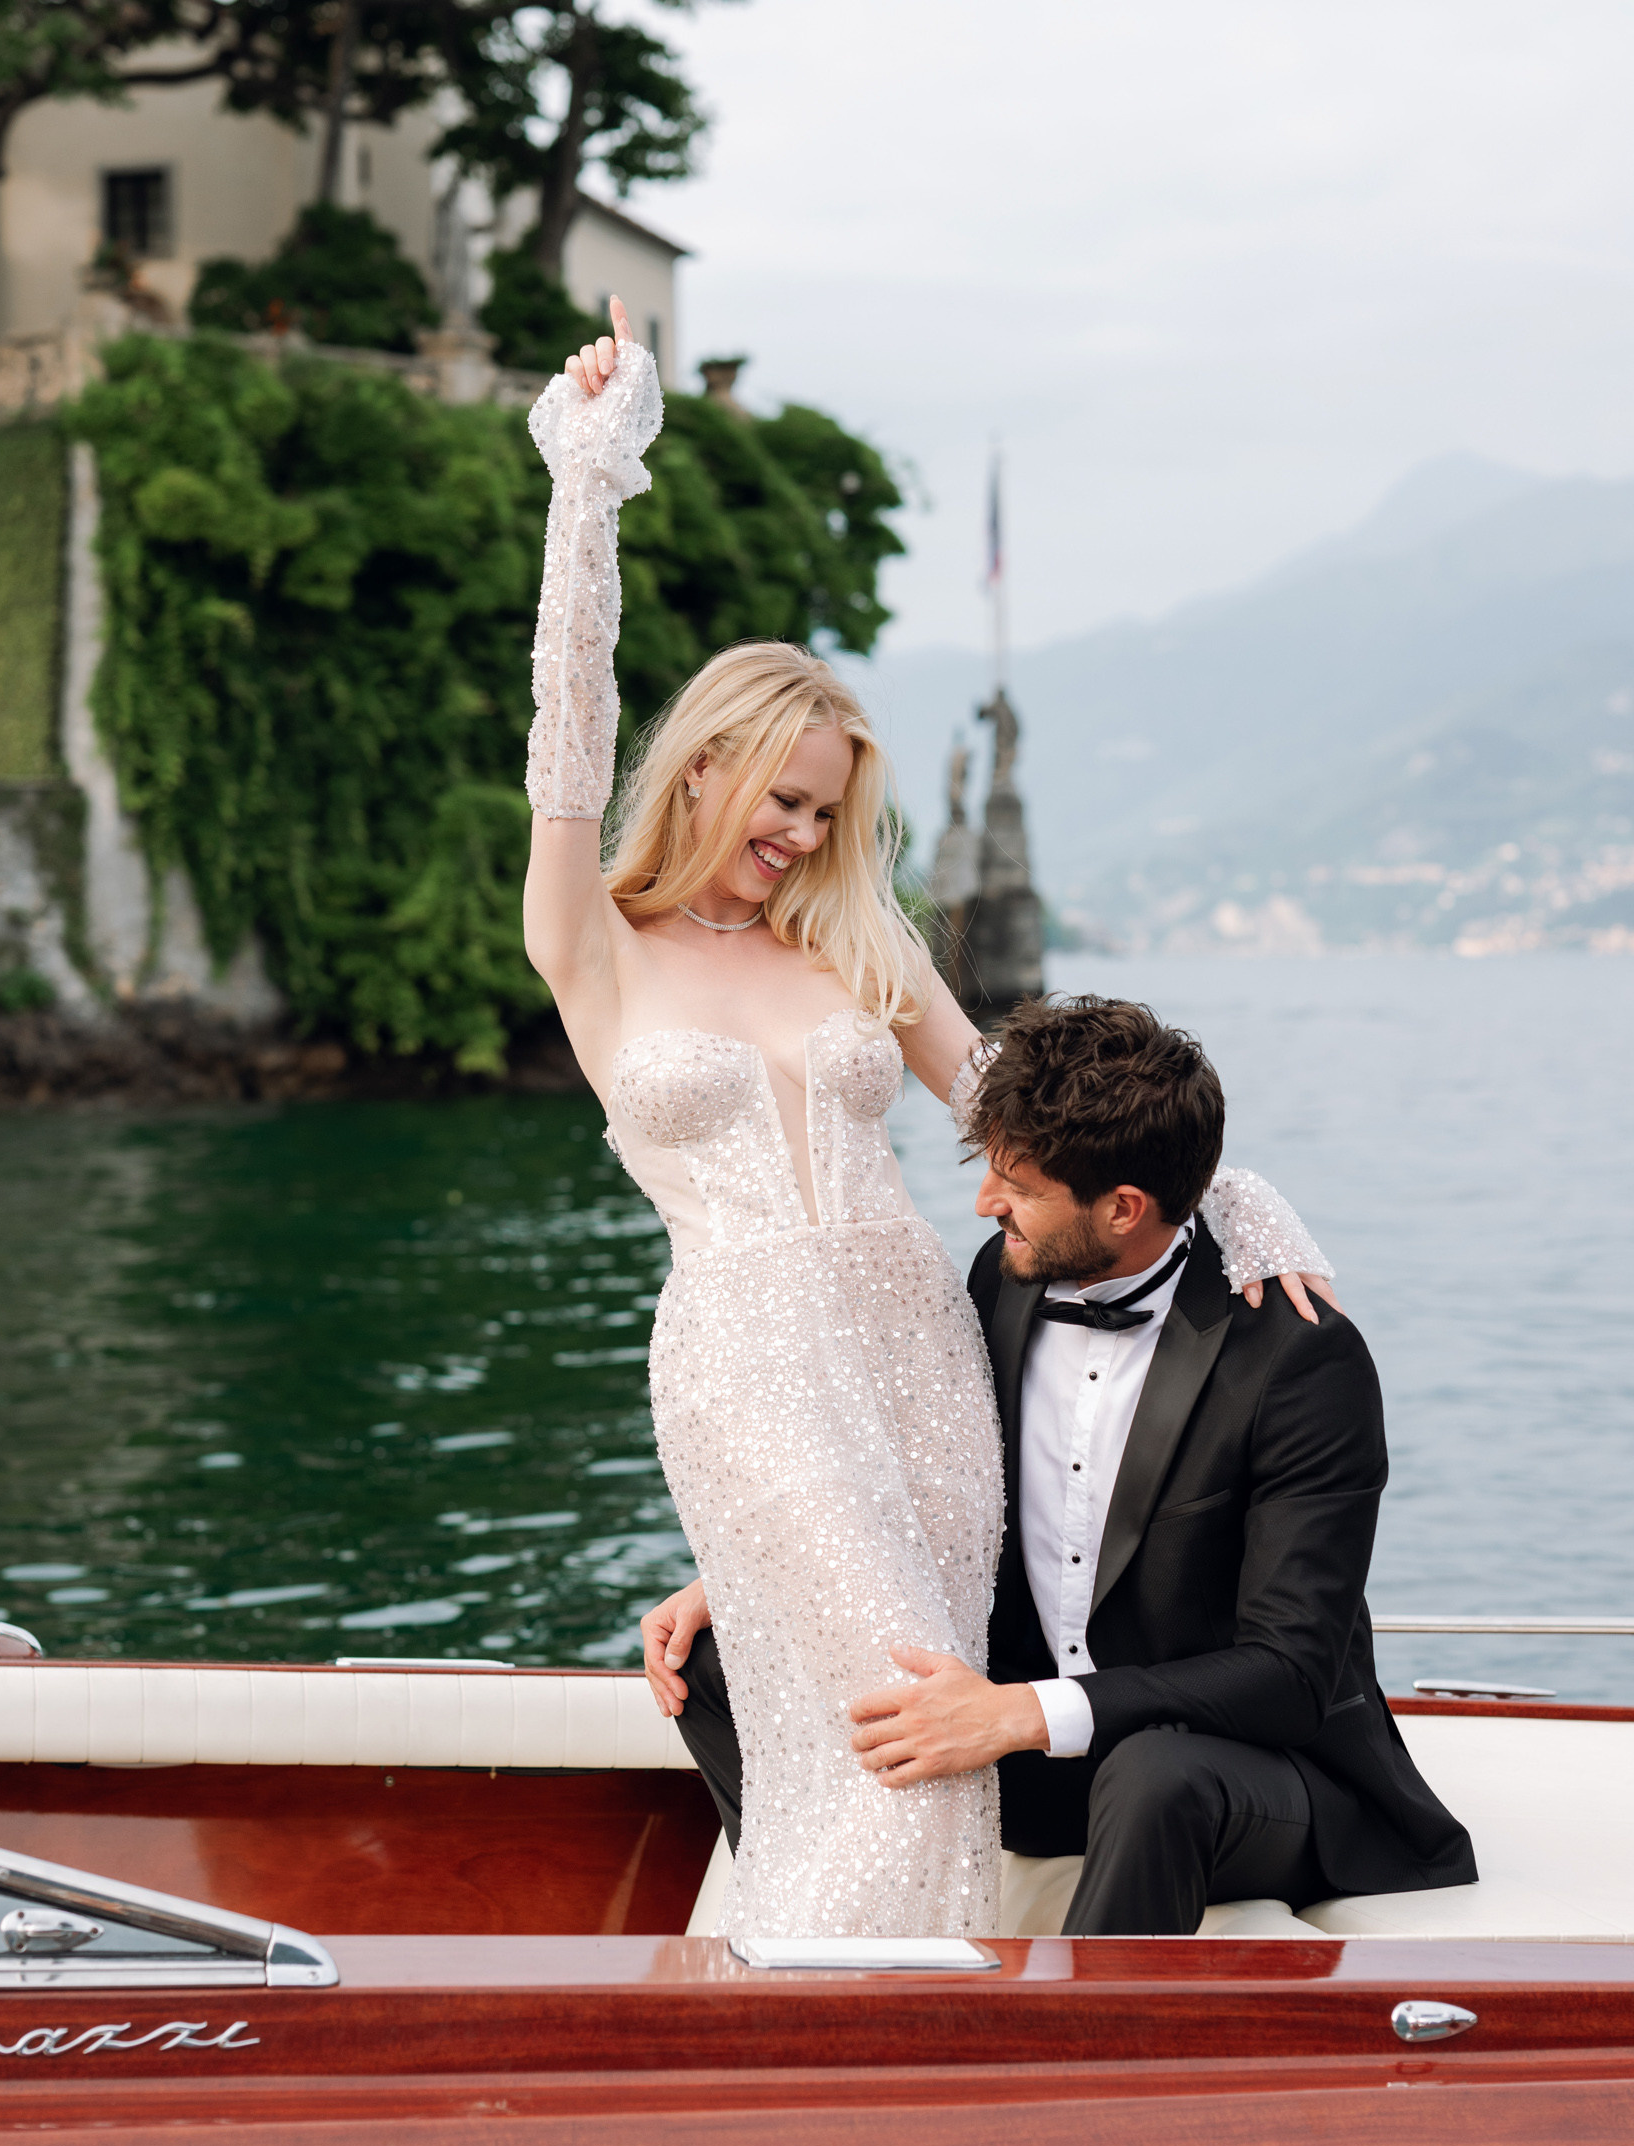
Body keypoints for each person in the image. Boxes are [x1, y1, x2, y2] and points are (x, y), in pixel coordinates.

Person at [526, 298, 1328, 1938]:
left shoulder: (852, 948)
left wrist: (1226, 1196)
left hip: (913, 1344)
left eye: (825, 811)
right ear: (700, 772)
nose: (799, 832)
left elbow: (1017, 1105)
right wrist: (587, 493)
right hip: (747, 1357)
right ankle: (859, 2049)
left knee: (919, 1711)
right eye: (781, 798)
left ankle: (847, 2020)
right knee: (900, 1725)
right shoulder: (591, 945)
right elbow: (569, 727)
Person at [649, 993, 1477, 1936]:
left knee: (1154, 1772)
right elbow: (927, 1481)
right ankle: (823, 1936)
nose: (984, 1202)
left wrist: (1023, 1715)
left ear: (1124, 1207)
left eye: (1018, 1184)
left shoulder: (1299, 1361)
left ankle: (1058, 2061)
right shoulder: (999, 1285)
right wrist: (754, 1579)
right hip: (1040, 1769)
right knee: (720, 1656)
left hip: (1240, 1771)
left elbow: (1288, 1676)